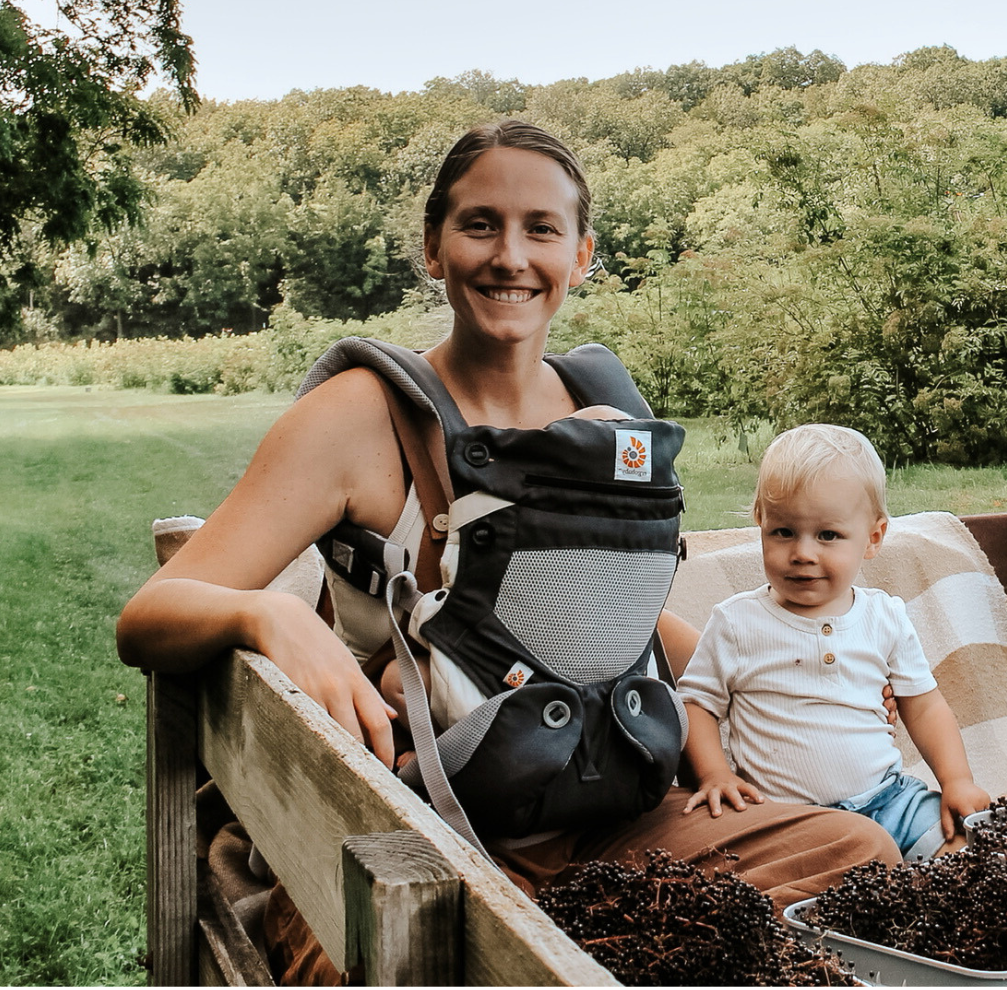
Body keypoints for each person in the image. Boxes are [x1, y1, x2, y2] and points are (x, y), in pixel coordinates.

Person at [116, 121, 899, 980]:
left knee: (859, 858)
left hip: (605, 815)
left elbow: (609, 623)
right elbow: (150, 617)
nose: (510, 256)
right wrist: (266, 613)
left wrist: (781, 664)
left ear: (582, 252)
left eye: (542, 229)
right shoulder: (360, 414)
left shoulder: (608, 420)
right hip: (408, 833)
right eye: (479, 224)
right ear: (433, 247)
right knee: (423, 958)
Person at [676, 423, 991, 860]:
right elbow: (696, 703)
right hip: (787, 817)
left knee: (966, 847)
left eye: (827, 535)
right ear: (760, 523)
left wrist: (956, 779)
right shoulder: (736, 622)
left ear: (873, 538)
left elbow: (925, 705)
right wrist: (714, 774)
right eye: (783, 531)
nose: (803, 552)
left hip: (888, 799)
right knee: (813, 877)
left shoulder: (884, 617)